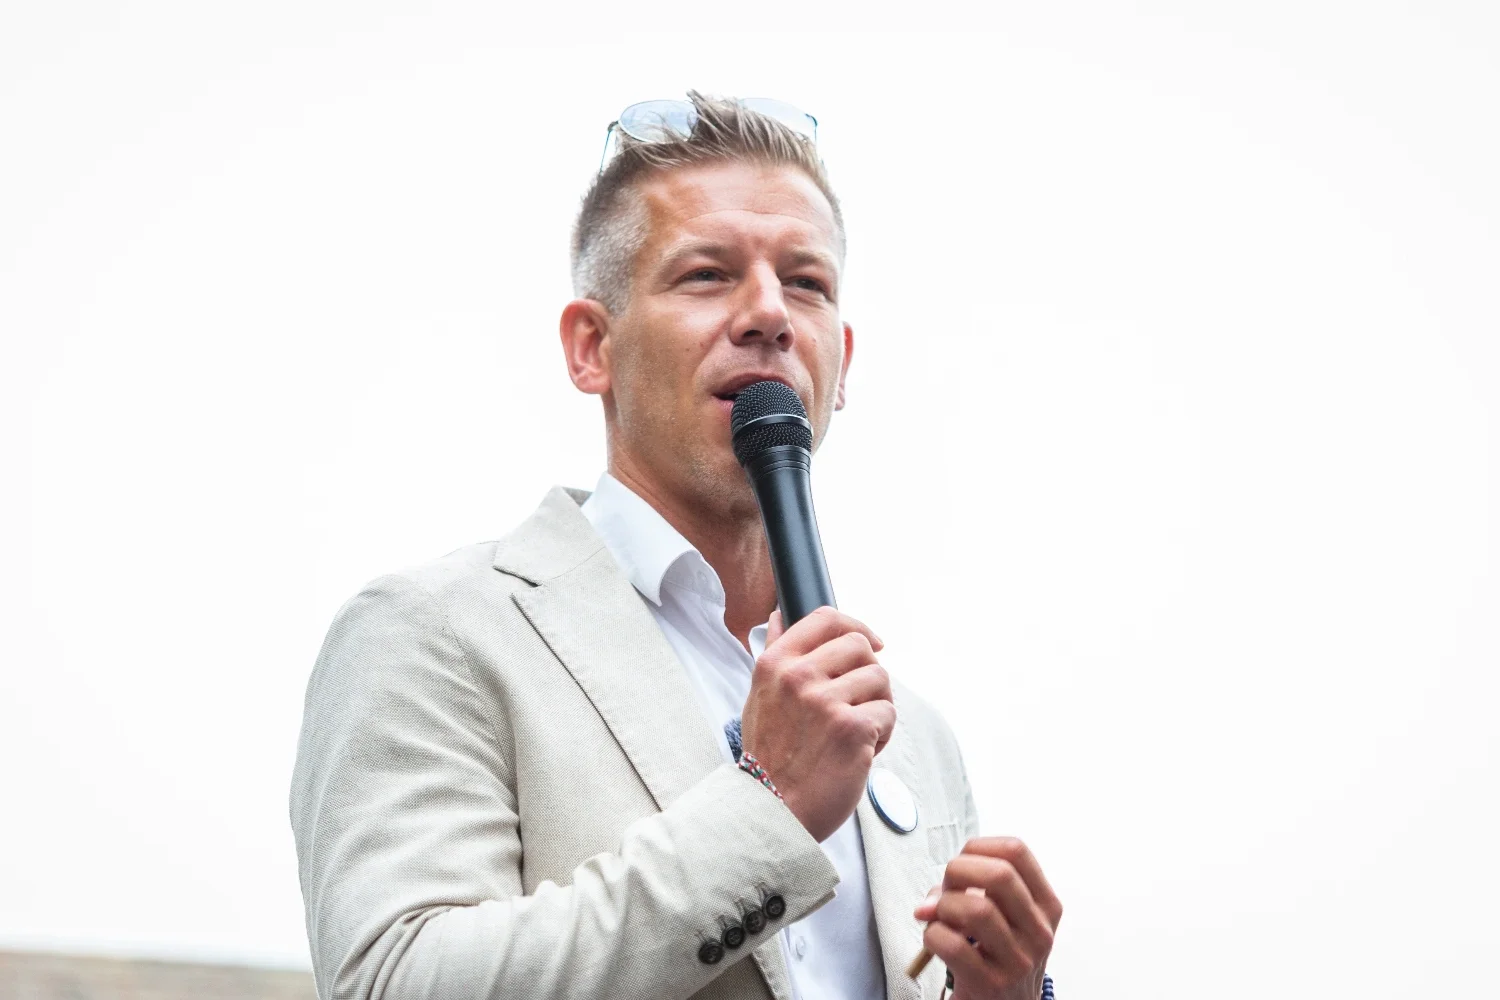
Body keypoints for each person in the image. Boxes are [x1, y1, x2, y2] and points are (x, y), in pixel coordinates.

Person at [289, 91, 1063, 1000]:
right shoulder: (434, 634)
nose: (769, 313)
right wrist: (767, 806)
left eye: (806, 283)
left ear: (842, 362)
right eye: (706, 275)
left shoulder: (911, 736)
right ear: (591, 347)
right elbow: (395, 982)